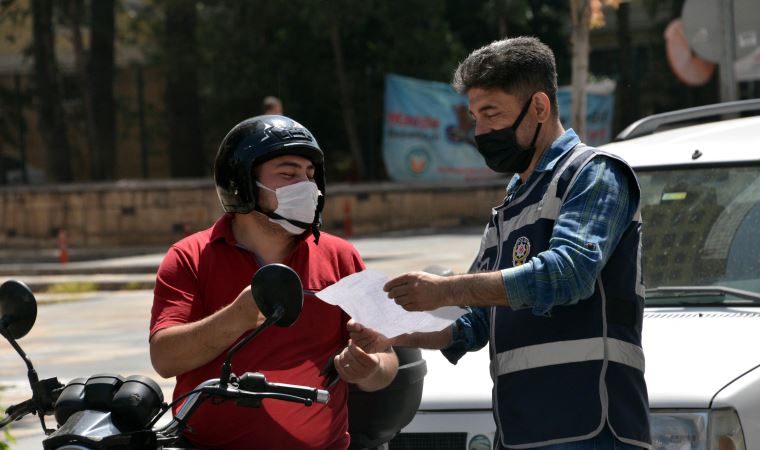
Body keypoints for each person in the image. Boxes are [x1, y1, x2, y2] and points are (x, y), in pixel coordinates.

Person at [350, 36, 651, 450]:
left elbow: (569, 273)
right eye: (474, 117)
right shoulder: (512, 204)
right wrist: (394, 334)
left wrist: (447, 287)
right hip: (519, 433)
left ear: (540, 108)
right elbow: (474, 322)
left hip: (594, 430)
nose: (480, 131)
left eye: (491, 114)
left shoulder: (593, 174)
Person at [149, 115, 398, 450]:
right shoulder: (190, 256)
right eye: (288, 173)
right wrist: (236, 317)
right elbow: (165, 359)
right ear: (243, 182)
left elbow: (388, 362)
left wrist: (368, 368)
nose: (308, 186)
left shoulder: (341, 257)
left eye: (311, 175)